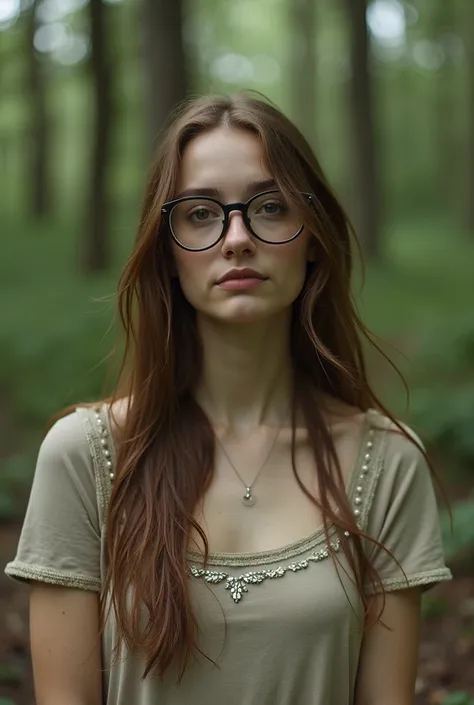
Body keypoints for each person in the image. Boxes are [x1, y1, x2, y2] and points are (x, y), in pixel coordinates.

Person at [5, 92, 452, 705]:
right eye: (200, 214)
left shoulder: (387, 463)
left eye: (269, 207)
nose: (237, 238)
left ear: (313, 237)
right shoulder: (86, 458)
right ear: (165, 251)